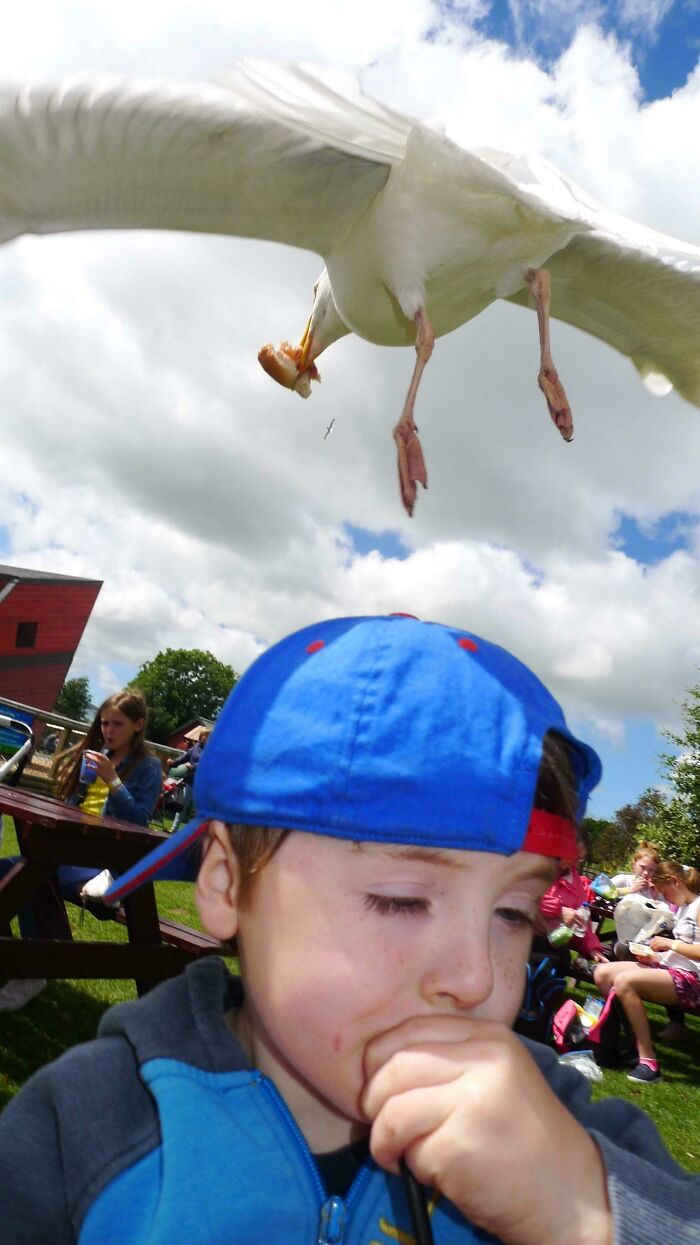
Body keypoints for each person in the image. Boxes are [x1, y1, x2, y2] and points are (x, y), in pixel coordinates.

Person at [1, 615, 699, 1245]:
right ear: (225, 883)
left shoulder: (575, 1137)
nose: (478, 977)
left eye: (512, 913)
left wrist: (586, 1214)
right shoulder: (84, 1132)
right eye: (401, 899)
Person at [0, 690, 162, 1012]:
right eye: (104, 723)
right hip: (75, 851)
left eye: (117, 723)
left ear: (138, 725)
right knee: (8, 869)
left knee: (32, 872)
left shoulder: (148, 768)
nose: (108, 730)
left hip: (110, 859)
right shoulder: (99, 753)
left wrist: (113, 782)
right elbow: (77, 808)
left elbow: (141, 822)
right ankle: (18, 956)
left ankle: (35, 969)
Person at [593, 859, 700, 1084]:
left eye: (664, 892)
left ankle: (648, 1062)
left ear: (675, 881)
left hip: (693, 981)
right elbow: (680, 951)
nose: (666, 898)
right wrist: (655, 957)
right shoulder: (682, 908)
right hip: (673, 969)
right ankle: (623, 1044)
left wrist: (669, 945)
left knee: (624, 982)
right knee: (602, 973)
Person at [536, 826, 609, 976]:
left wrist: (592, 948)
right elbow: (526, 897)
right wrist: (559, 911)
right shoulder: (537, 864)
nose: (575, 862)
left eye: (580, 858)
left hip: (554, 942)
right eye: (572, 855)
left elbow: (583, 919)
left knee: (561, 960)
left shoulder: (575, 880)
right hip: (525, 934)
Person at [165, 726, 211, 831]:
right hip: (190, 781)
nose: (206, 738)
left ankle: (196, 834)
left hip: (203, 784)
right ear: (201, 736)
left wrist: (193, 766)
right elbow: (183, 758)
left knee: (198, 810)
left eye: (208, 736)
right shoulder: (194, 748)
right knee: (183, 806)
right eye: (204, 735)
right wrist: (173, 762)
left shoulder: (211, 750)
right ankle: (174, 829)